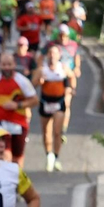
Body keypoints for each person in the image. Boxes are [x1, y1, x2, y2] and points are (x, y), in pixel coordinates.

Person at [0, 52, 38, 168]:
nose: (7, 67)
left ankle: (16, 181)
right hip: (0, 122)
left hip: (19, 122)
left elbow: (35, 101)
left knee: (17, 158)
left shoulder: (22, 81)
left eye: (9, 64)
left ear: (14, 65)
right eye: (4, 64)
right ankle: (5, 182)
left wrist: (17, 105)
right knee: (4, 154)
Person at [34, 42, 72, 172]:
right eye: (50, 53)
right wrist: (40, 82)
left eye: (55, 53)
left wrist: (69, 90)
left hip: (59, 102)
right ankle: (48, 155)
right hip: (45, 102)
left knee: (57, 131)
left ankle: (56, 157)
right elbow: (32, 85)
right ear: (47, 55)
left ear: (59, 55)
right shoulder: (41, 69)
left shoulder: (63, 68)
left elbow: (71, 78)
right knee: (46, 132)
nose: (52, 56)